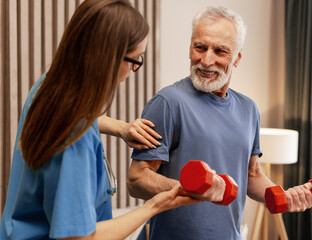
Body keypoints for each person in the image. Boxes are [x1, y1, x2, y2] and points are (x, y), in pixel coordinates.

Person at [0, 0, 200, 239]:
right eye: (135, 60)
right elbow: (79, 237)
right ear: (108, 58)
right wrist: (153, 206)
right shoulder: (75, 139)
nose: (132, 71)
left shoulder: (49, 86)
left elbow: (85, 116)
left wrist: (121, 128)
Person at [127, 5, 312, 240]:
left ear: (237, 58)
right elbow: (137, 179)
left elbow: (252, 175)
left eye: (220, 51)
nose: (206, 60)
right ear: (190, 48)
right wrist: (188, 189)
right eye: (200, 47)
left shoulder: (249, 109)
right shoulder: (168, 102)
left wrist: (283, 195)